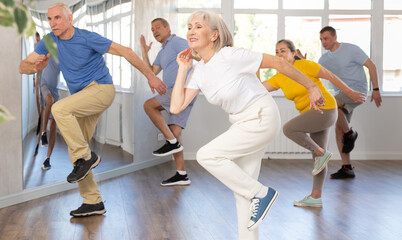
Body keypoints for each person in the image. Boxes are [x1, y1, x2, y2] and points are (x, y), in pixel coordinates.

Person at [171, 11, 325, 240]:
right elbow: (176, 107)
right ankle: (253, 212)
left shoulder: (231, 55)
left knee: (207, 156)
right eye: (189, 26)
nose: (191, 30)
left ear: (214, 35)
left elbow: (277, 63)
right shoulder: (200, 71)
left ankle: (262, 193)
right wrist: (183, 69)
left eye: (198, 26)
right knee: (242, 192)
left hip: (261, 116)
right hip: (241, 123)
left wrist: (311, 87)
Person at [19, 2, 166, 217]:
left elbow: (125, 51)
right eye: (50, 19)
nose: (52, 23)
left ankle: (86, 157)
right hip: (82, 98)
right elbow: (23, 65)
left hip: (101, 89)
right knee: (76, 152)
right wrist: (34, 67)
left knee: (59, 110)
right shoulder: (50, 41)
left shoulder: (87, 37)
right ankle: (93, 201)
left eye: (57, 18)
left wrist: (151, 76)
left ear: (70, 19)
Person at [263, 39, 366, 207]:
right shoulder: (279, 77)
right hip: (312, 114)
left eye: (283, 50)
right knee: (318, 160)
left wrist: (350, 92)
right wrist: (255, 70)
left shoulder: (305, 65)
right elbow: (260, 88)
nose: (279, 54)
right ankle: (316, 197)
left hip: (326, 109)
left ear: (293, 52)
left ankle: (320, 152)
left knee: (289, 129)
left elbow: (330, 76)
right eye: (276, 51)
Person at [317, 26, 382, 179]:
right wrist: (302, 60)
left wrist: (376, 89)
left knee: (331, 106)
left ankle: (350, 133)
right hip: (342, 93)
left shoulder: (351, 49)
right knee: (339, 127)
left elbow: (371, 66)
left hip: (357, 90)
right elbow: (313, 70)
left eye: (326, 38)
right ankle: (347, 167)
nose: (323, 42)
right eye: (321, 39)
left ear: (334, 37)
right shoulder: (324, 59)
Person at [140, 18, 197, 186]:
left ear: (167, 28)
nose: (155, 31)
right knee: (175, 132)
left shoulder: (177, 42)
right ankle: (181, 174)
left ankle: (170, 142)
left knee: (149, 105)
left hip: (182, 90)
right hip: (177, 92)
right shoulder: (162, 51)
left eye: (158, 27)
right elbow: (151, 72)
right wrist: (144, 52)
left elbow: (195, 54)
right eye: (152, 29)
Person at [35, 57, 61, 170]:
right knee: (49, 100)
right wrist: (36, 76)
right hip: (44, 85)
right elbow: (38, 63)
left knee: (54, 124)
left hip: (56, 90)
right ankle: (44, 133)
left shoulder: (63, 54)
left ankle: (47, 159)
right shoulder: (47, 48)